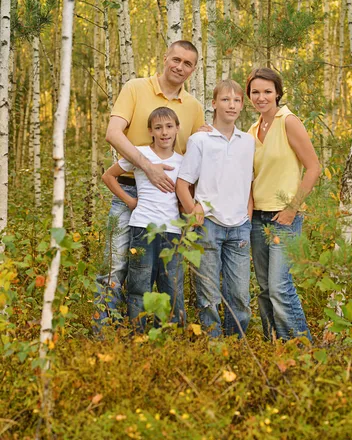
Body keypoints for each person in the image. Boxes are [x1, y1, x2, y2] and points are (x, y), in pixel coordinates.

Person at [94, 41, 204, 325]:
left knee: (167, 274)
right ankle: (104, 332)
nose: (180, 67)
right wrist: (148, 168)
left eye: (188, 63)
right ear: (165, 57)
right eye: (176, 59)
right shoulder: (135, 88)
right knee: (115, 266)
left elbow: (197, 157)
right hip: (131, 190)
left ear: (193, 69)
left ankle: (165, 333)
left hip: (170, 203)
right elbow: (113, 133)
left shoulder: (193, 107)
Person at [246, 67, 321, 341]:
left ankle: (303, 350)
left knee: (280, 287)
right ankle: (273, 347)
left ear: (277, 93)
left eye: (267, 91)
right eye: (255, 92)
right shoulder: (252, 130)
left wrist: (291, 209)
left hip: (284, 218)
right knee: (264, 288)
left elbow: (314, 167)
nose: (261, 97)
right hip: (257, 220)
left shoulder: (288, 121)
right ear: (249, 96)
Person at [176, 80, 255, 338]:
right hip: (208, 225)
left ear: (242, 106)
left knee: (240, 295)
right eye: (225, 99)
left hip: (240, 227)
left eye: (236, 100)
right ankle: (213, 347)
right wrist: (192, 213)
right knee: (208, 295)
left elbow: (249, 183)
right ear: (213, 104)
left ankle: (237, 345)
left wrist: (248, 216)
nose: (231, 105)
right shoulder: (200, 140)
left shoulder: (248, 141)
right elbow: (182, 183)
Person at [102, 107, 185, 331]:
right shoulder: (140, 155)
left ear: (178, 129)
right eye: (158, 128)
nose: (164, 132)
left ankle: (168, 337)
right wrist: (130, 201)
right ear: (150, 131)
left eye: (169, 127)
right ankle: (136, 335)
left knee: (172, 288)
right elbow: (108, 176)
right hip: (142, 229)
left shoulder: (183, 160)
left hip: (172, 233)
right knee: (139, 285)